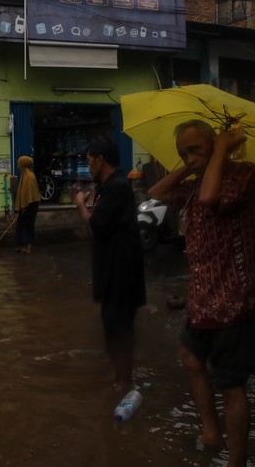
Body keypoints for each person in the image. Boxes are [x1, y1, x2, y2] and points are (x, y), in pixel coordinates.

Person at [148, 119, 255, 467]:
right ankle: (211, 433)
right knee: (190, 358)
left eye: (196, 148)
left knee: (230, 383)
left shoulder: (243, 174)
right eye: (184, 152)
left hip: (234, 300)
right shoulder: (196, 184)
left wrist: (222, 150)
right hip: (201, 299)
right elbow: (156, 193)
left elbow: (213, 197)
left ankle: (236, 461)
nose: (190, 157)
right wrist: (189, 166)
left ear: (216, 145)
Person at [74, 138, 146, 393]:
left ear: (100, 159)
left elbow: (95, 227)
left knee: (120, 324)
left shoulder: (117, 185)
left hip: (121, 269)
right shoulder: (108, 186)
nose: (88, 166)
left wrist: (81, 204)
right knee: (110, 320)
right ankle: (116, 373)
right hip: (110, 266)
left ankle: (124, 380)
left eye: (90, 160)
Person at [14, 155, 41, 254]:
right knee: (21, 225)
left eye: (19, 163)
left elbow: (30, 193)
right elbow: (23, 193)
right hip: (25, 205)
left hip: (31, 204)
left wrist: (26, 206)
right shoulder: (23, 175)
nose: (18, 165)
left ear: (23, 164)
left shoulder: (29, 176)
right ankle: (22, 245)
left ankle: (29, 246)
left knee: (28, 225)